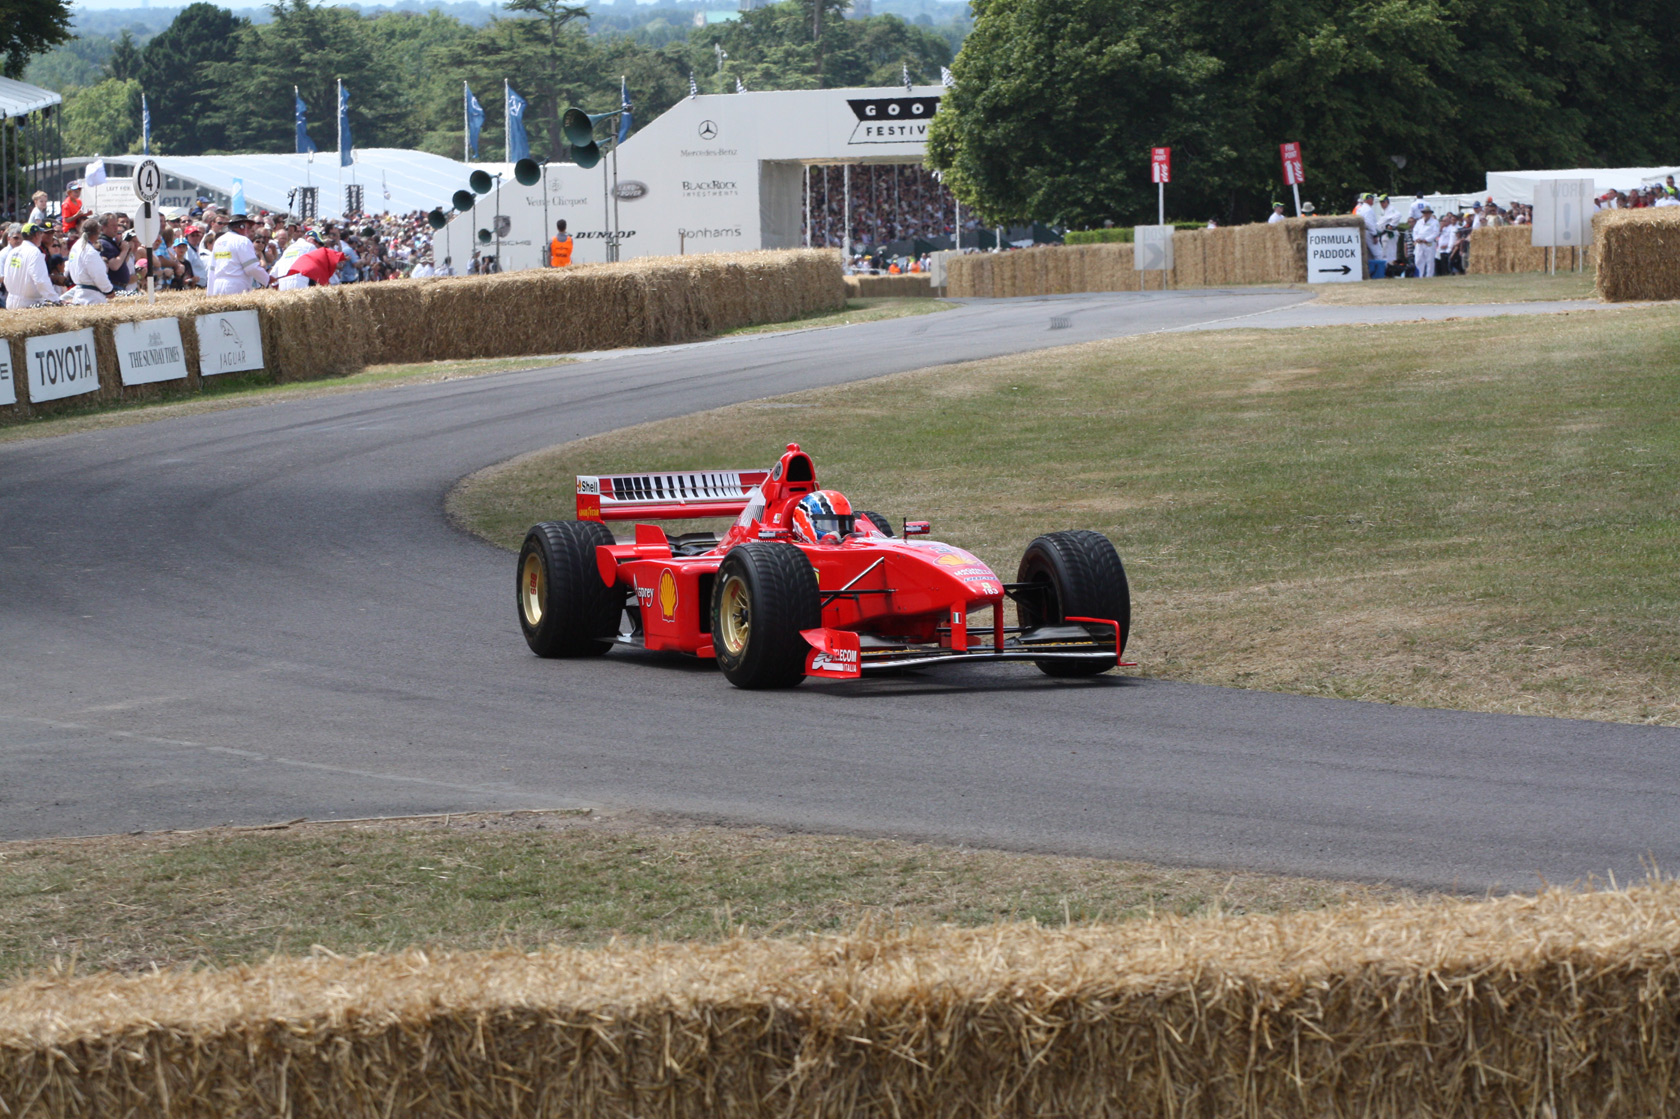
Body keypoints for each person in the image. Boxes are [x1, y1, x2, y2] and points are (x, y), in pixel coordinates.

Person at [206, 213, 271, 294]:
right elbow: (251, 267)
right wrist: (267, 280)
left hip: (218, 287)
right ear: (242, 227)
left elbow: (212, 269)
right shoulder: (242, 241)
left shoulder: (219, 241)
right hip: (236, 287)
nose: (249, 231)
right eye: (248, 227)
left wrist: (210, 293)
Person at [62, 217, 114, 304]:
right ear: (97, 233)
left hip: (79, 295)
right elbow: (98, 274)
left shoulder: (76, 247)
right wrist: (108, 290)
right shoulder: (90, 251)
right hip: (92, 298)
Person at [5, 224, 56, 309]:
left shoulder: (13, 252)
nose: (41, 236)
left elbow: (7, 276)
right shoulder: (35, 252)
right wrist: (54, 299)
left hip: (11, 300)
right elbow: (41, 280)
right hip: (28, 303)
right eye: (40, 233)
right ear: (36, 235)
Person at [1411, 205, 1439, 278]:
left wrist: (1426, 239)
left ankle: (1429, 276)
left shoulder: (1434, 222)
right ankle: (1419, 275)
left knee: (1429, 261)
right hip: (1419, 243)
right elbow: (1415, 231)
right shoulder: (1419, 222)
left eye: (1427, 213)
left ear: (1430, 213)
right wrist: (1416, 238)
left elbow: (1435, 233)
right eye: (1424, 213)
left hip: (1429, 243)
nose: (1426, 214)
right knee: (1418, 260)